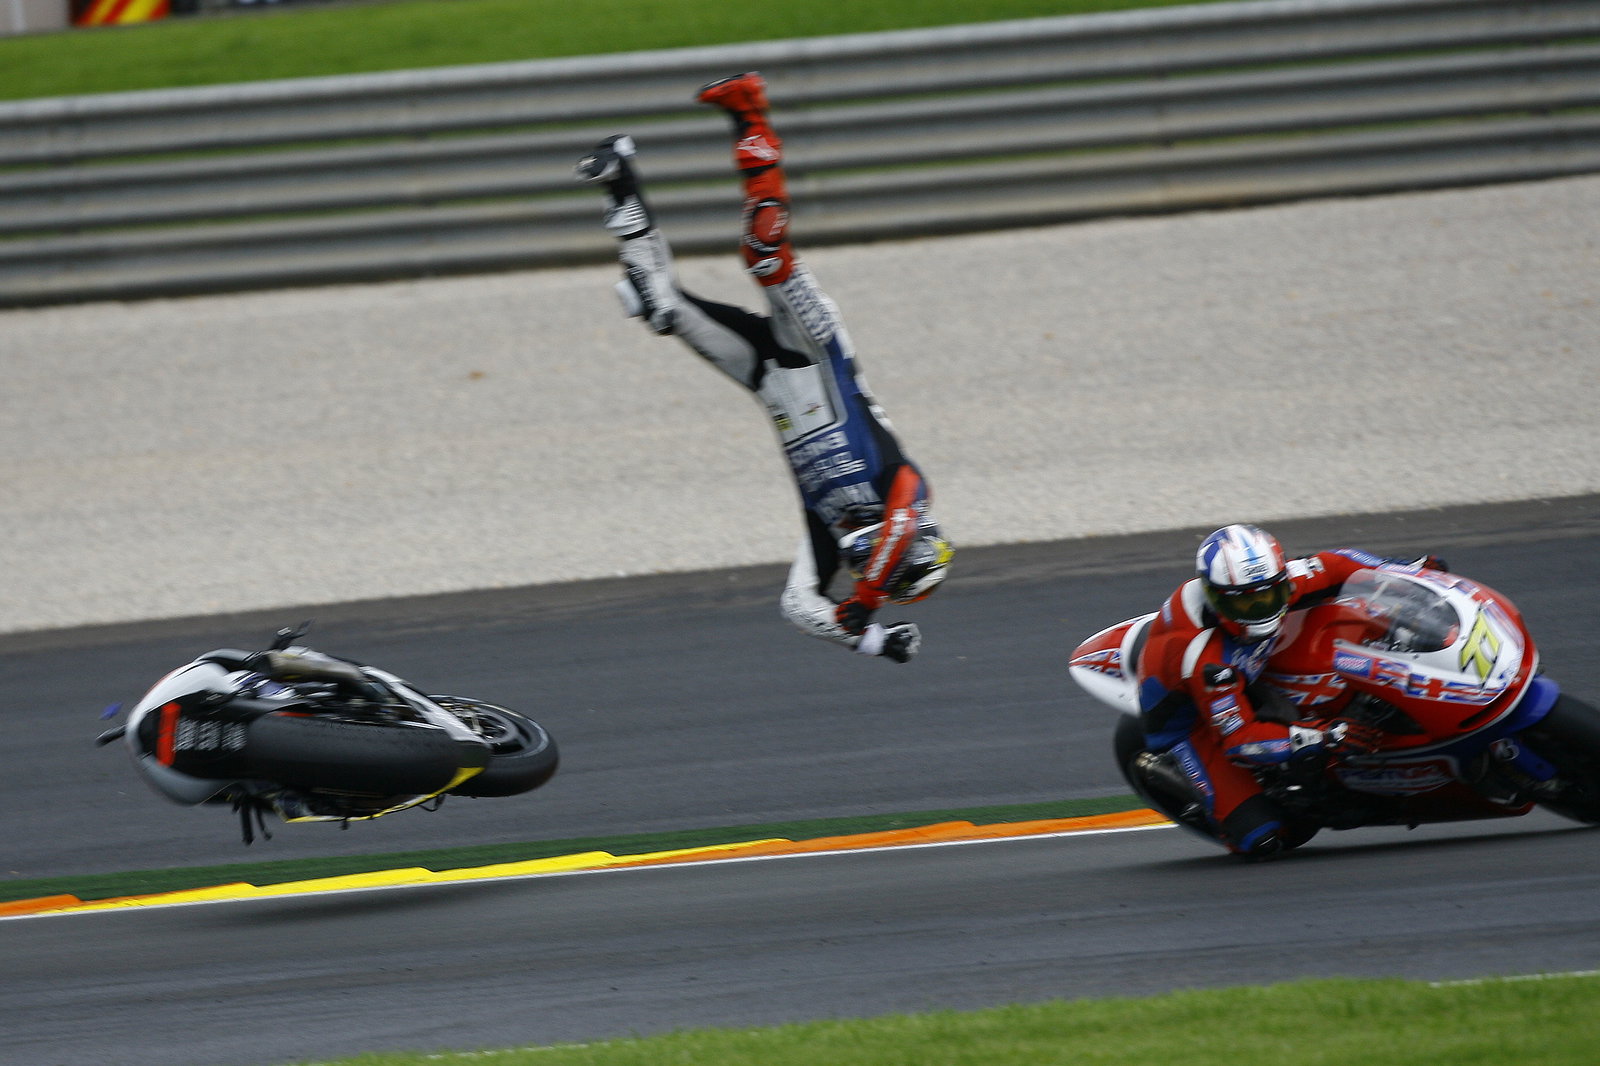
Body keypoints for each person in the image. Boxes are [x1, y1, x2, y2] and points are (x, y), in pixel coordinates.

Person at [575, 72, 952, 663]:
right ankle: (748, 107)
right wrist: (870, 598)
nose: (855, 564)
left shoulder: (832, 541)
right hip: (819, 349)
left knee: (660, 308)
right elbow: (901, 525)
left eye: (860, 567)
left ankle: (618, 175)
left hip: (764, 377)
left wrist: (872, 638)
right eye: (871, 564)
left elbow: (799, 604)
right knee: (765, 254)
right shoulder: (906, 491)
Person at [1133, 523, 1448, 857]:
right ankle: (1173, 772)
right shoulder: (1208, 661)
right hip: (1194, 717)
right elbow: (1240, 740)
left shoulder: (1269, 583)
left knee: (1355, 621)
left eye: (1271, 595)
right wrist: (1323, 737)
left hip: (1252, 662)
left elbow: (1336, 563)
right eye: (1247, 604)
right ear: (1217, 597)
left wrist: (1402, 570)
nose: (1262, 609)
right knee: (1262, 839)